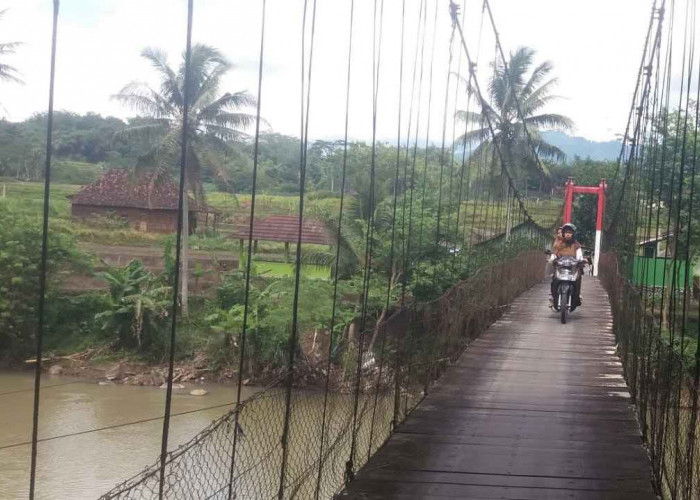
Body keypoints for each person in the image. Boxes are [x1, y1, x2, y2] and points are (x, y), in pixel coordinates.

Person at [549, 223, 584, 310]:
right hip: (561, 268)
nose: (568, 234)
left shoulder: (576, 245)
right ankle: (553, 297)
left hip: (572, 269)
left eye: (570, 232)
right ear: (563, 233)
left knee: (578, 279)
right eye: (566, 232)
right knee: (554, 280)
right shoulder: (559, 244)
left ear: (573, 234)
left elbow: (579, 255)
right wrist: (552, 258)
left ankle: (577, 296)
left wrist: (581, 260)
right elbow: (554, 254)